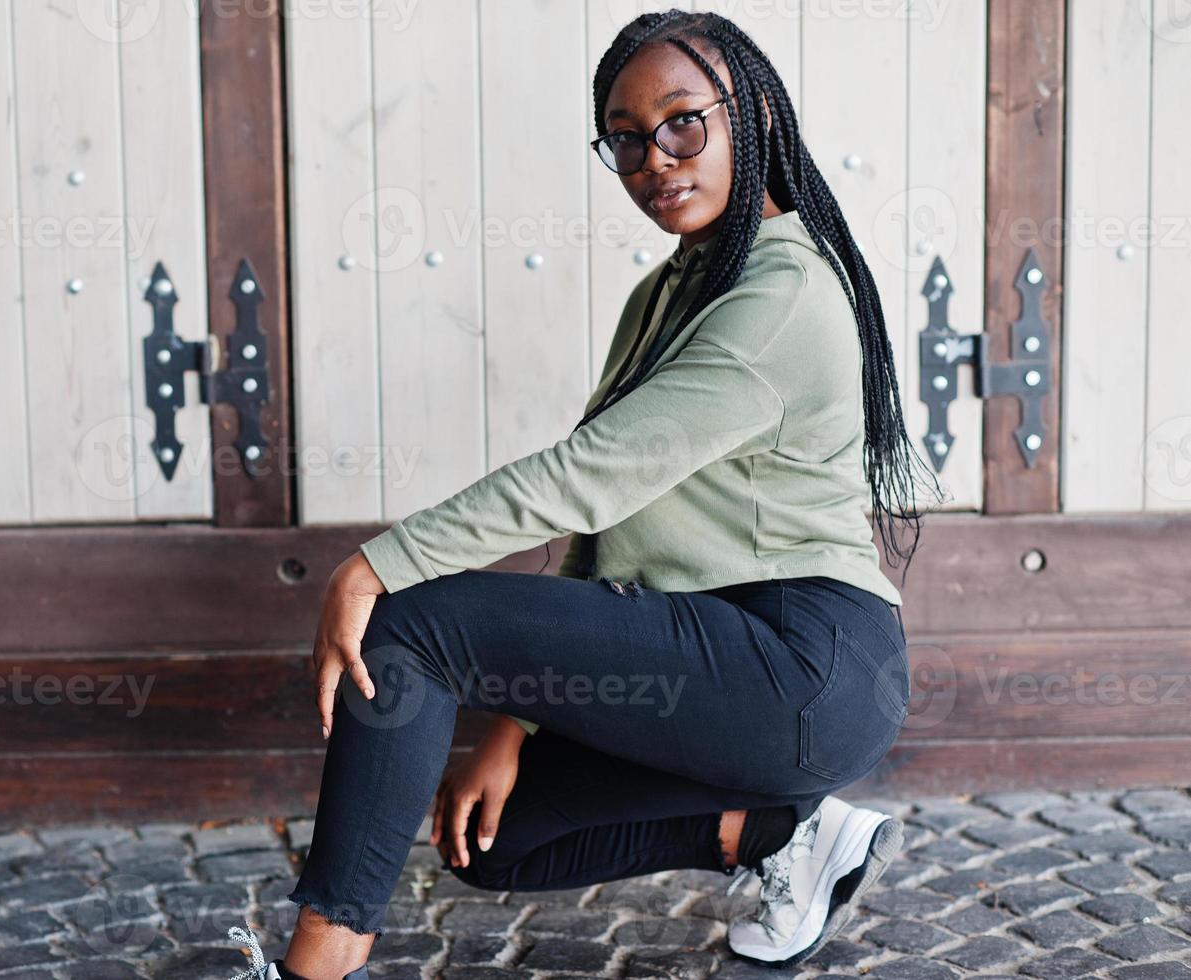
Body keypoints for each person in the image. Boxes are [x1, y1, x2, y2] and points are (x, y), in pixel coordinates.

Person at [227, 8, 944, 979]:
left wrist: (374, 563)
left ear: (755, 113)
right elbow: (606, 519)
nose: (656, 158)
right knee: (497, 838)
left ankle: (320, 959)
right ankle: (778, 831)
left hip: (802, 663)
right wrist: (513, 723)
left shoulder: (785, 292)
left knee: (407, 621)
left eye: (684, 121)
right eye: (627, 138)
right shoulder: (668, 293)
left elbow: (585, 475)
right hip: (699, 647)